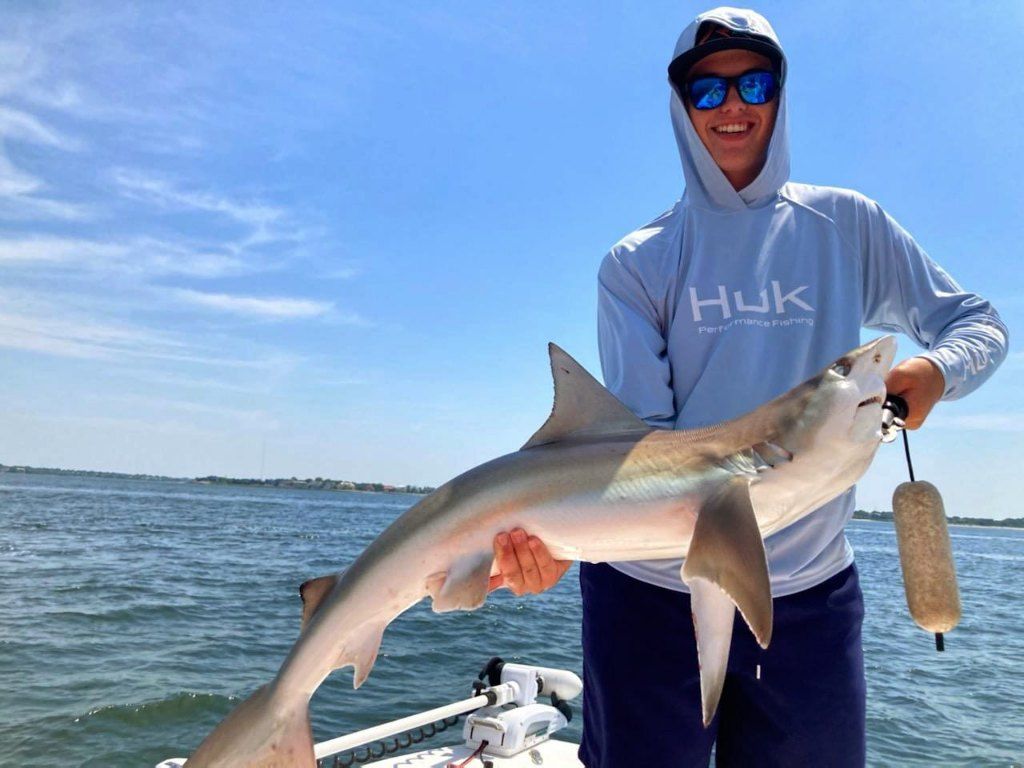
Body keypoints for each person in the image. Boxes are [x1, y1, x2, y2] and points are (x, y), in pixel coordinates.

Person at [490, 7, 1008, 766]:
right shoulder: (637, 262)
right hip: (648, 596)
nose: (732, 106)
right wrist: (568, 534)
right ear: (681, 107)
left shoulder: (847, 225)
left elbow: (979, 322)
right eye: (707, 91)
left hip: (807, 595)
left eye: (752, 83)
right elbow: (643, 455)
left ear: (779, 93)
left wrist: (934, 372)